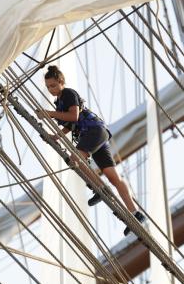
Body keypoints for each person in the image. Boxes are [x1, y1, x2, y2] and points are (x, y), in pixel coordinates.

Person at [36, 65, 145, 235]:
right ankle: (135, 213)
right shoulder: (59, 103)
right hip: (96, 134)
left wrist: (49, 113)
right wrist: (55, 137)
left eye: (54, 85)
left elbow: (74, 116)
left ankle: (100, 190)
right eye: (48, 87)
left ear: (61, 82)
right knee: (113, 176)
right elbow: (70, 125)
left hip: (93, 131)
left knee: (75, 159)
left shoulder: (68, 94)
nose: (51, 89)